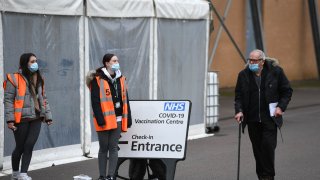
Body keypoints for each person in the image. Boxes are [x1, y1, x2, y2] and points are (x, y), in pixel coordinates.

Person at [234, 49, 293, 180]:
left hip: (270, 119)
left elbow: (287, 91)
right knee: (258, 151)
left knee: (267, 148)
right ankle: (262, 176)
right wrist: (239, 110)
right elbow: (238, 96)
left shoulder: (276, 72)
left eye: (255, 60)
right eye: (250, 60)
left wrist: (280, 107)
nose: (251, 62)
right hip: (252, 120)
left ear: (262, 61)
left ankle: (268, 177)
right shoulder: (243, 75)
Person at [3, 53, 53, 180]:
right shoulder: (14, 78)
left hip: (36, 117)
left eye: (36, 61)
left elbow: (43, 98)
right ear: (25, 63)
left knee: (29, 145)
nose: (35, 63)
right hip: (21, 119)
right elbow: (8, 100)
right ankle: (15, 173)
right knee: (20, 146)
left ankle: (23, 173)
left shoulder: (39, 78)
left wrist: (48, 116)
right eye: (32, 61)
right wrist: (10, 120)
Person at [86, 53, 132, 180]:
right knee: (103, 147)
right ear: (107, 63)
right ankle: (102, 175)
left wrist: (128, 118)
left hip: (117, 119)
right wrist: (100, 119)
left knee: (113, 147)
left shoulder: (121, 78)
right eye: (114, 60)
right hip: (104, 120)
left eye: (117, 60)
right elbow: (95, 101)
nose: (117, 62)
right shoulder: (97, 79)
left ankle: (111, 176)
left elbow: (125, 99)